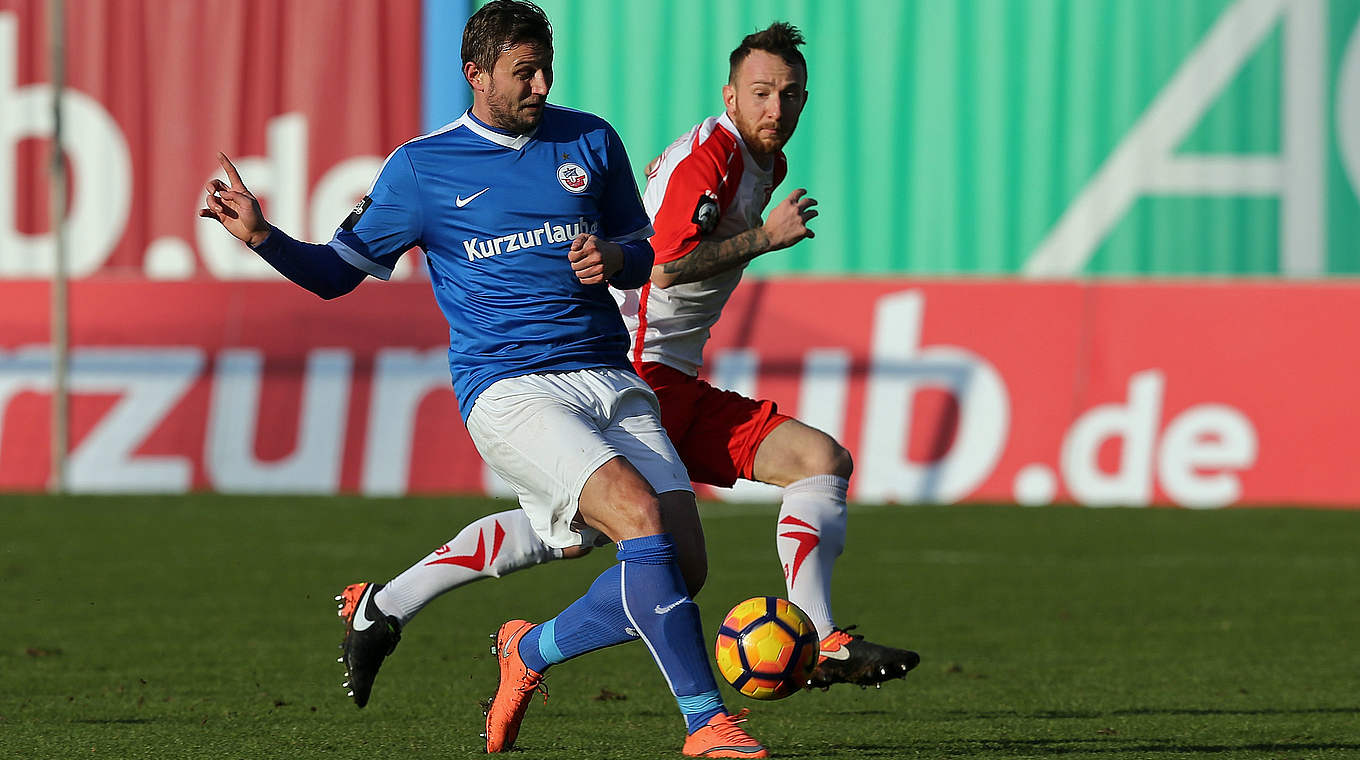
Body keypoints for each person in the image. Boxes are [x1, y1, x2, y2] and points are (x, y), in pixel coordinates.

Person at [200, 2, 767, 757]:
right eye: (522, 72)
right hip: (510, 387)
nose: (540, 84)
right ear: (476, 75)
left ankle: (525, 651)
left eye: (545, 68)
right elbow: (337, 274)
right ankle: (708, 725)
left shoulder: (589, 138)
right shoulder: (423, 168)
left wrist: (618, 259)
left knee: (681, 567)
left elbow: (640, 243)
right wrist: (265, 237)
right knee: (636, 517)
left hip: (606, 372)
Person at [337, 19, 918, 711]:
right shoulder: (715, 157)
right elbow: (663, 270)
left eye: (791, 94)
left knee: (588, 530)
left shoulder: (762, 162)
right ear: (729, 97)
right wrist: (764, 238)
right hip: (636, 366)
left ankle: (416, 613)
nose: (777, 108)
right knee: (656, 536)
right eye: (761, 92)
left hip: (666, 370)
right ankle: (784, 661)